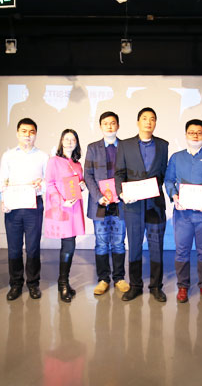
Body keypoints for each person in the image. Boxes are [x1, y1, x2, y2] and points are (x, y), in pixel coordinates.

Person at [164, 119, 202, 303]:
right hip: (182, 213)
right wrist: (174, 195)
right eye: (192, 132)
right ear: (186, 135)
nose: (195, 136)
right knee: (181, 250)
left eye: (199, 132)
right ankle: (183, 286)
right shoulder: (176, 158)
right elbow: (168, 180)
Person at [114, 107, 169, 302]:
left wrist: (152, 188)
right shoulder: (125, 145)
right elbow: (119, 173)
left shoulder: (163, 145)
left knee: (156, 246)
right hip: (133, 205)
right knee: (135, 245)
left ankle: (156, 286)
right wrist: (122, 193)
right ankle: (135, 286)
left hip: (155, 205)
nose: (148, 122)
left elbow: (162, 173)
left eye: (152, 119)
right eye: (145, 118)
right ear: (138, 122)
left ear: (155, 123)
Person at [0, 118, 49, 301]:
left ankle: (33, 284)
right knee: (14, 248)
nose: (28, 135)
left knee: (33, 247)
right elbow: (2, 181)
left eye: (31, 131)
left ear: (36, 134)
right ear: (17, 133)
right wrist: (3, 200)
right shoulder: (8, 156)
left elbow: (48, 182)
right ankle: (16, 284)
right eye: (24, 131)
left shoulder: (43, 156)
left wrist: (41, 184)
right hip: (13, 206)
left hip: (33, 206)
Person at [84, 111, 130, 295]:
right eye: (106, 123)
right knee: (101, 243)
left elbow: (130, 173)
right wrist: (98, 196)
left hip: (120, 202)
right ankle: (103, 279)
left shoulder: (126, 147)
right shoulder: (92, 148)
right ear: (100, 126)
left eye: (112, 123)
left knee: (119, 242)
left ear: (118, 125)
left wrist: (124, 193)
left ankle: (119, 278)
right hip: (100, 203)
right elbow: (88, 175)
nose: (109, 126)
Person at [44, 129, 86, 303]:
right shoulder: (54, 161)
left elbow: (78, 184)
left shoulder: (77, 164)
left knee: (70, 244)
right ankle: (62, 283)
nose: (69, 142)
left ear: (77, 143)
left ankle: (64, 281)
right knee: (67, 245)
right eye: (66, 139)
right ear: (61, 141)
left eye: (73, 139)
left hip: (74, 208)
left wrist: (82, 185)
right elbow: (50, 184)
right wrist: (62, 202)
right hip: (62, 207)